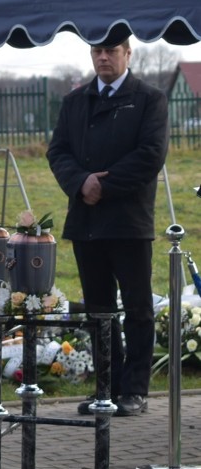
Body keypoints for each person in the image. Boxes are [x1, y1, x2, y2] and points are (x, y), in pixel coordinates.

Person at [47, 35, 169, 417]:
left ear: (127, 54)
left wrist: (105, 184)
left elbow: (151, 154)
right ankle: (107, 388)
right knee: (98, 310)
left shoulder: (149, 99)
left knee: (137, 307)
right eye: (97, 51)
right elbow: (58, 151)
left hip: (129, 220)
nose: (103, 57)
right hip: (86, 220)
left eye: (111, 51)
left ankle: (134, 390)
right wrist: (81, 182)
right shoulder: (75, 101)